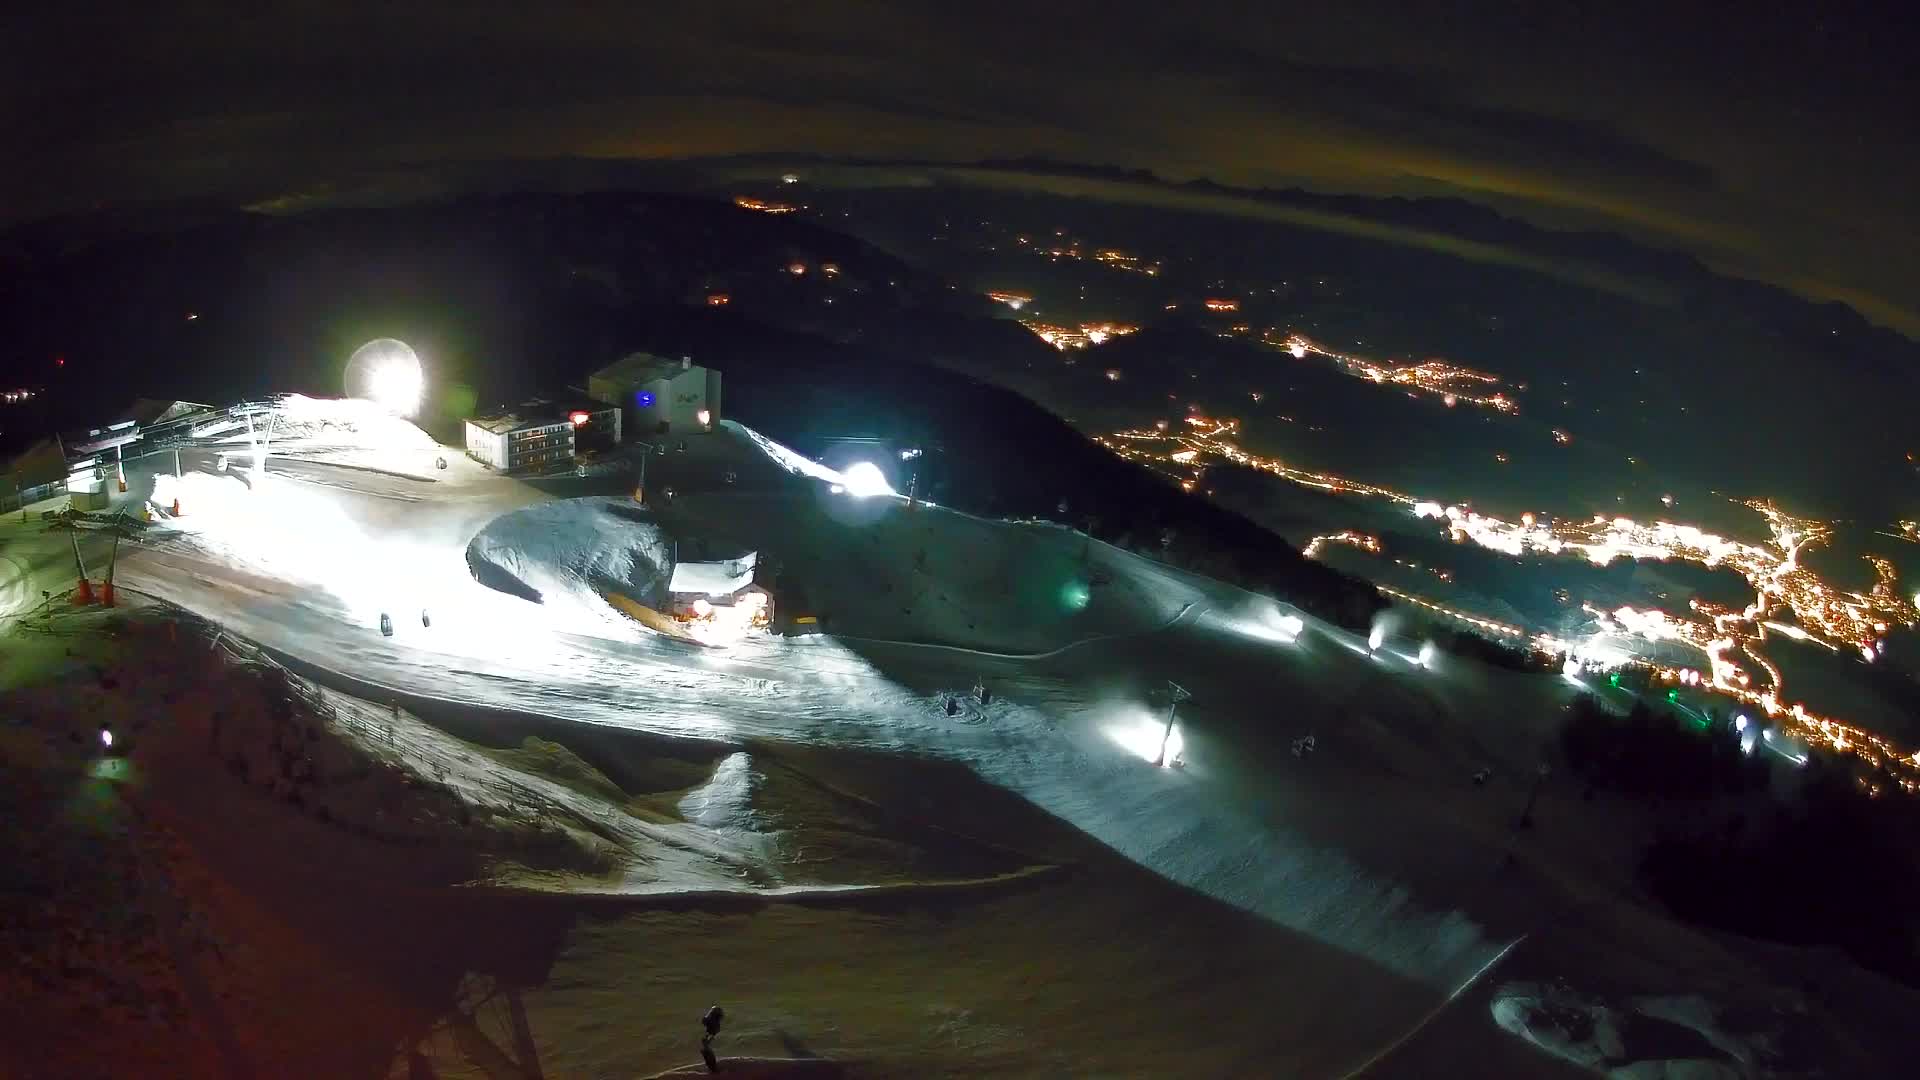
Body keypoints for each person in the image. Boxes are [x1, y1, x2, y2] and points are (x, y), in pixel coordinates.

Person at [700, 1005, 725, 1073]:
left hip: (706, 1042)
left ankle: (713, 1070)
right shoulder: (714, 1025)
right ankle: (713, 1070)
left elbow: (705, 1022)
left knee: (706, 1051)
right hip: (706, 1042)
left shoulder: (711, 1023)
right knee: (707, 1051)